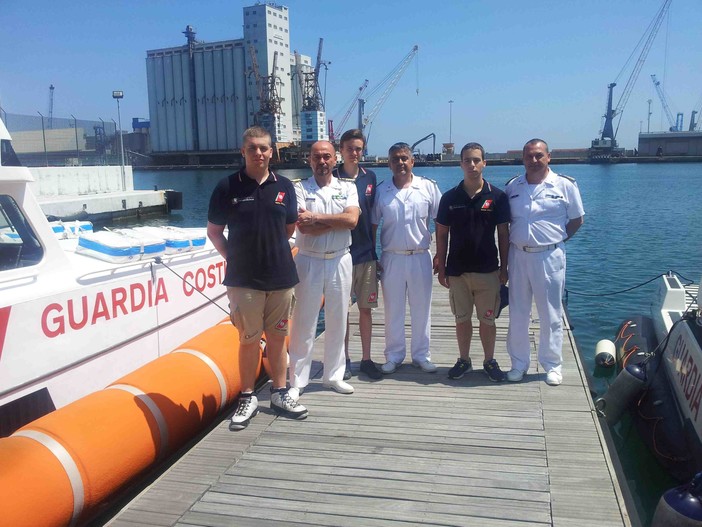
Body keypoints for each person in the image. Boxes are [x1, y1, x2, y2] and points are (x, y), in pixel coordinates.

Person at [207, 126, 308, 431]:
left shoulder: (285, 187)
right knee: (248, 340)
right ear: (243, 151)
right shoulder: (227, 187)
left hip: (280, 277)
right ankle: (248, 396)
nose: (259, 153)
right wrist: (234, 259)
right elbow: (214, 232)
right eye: (252, 148)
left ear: (272, 151)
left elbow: (289, 228)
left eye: (264, 148)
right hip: (243, 280)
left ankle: (279, 393)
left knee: (278, 339)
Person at [505, 139, 584, 386]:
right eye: (529, 156)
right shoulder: (513, 187)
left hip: (549, 257)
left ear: (548, 156)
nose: (534, 160)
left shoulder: (565, 185)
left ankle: (552, 365)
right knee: (518, 312)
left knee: (550, 313)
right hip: (518, 255)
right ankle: (519, 364)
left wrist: (555, 241)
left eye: (539, 155)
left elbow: (576, 220)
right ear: (523, 158)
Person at [288, 141, 360, 398]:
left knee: (338, 319)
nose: (322, 161)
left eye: (327, 156)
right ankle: (297, 380)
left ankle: (333, 375)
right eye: (316, 157)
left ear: (335, 159)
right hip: (308, 259)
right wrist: (337, 222)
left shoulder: (347, 187)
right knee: (303, 321)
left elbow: (352, 220)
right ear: (309, 160)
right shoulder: (299, 189)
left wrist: (317, 218)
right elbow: (303, 227)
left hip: (340, 259)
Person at [434, 142, 510, 382]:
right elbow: (442, 233)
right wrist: (442, 268)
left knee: (487, 319)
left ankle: (489, 360)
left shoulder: (497, 196)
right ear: (461, 164)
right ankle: (464, 360)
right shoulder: (449, 198)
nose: (472, 164)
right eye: (467, 160)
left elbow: (504, 234)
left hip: (488, 271)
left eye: (476, 160)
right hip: (457, 272)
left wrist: (504, 268)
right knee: (462, 319)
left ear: (484, 163)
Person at [372, 142, 442, 374]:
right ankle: (394, 355)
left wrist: (441, 254)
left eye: (404, 158)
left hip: (420, 256)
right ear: (389, 163)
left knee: (422, 308)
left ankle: (422, 355)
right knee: (392, 309)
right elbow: (372, 225)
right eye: (395, 159)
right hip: (391, 257)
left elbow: (441, 223)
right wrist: (374, 256)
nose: (400, 163)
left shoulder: (428, 188)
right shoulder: (382, 191)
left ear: (412, 161)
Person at [333, 129, 382, 381]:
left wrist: (375, 250)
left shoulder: (370, 177)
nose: (354, 153)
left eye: (359, 149)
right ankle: (344, 359)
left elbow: (373, 219)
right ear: (340, 150)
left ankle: (366, 358)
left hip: (366, 254)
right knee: (342, 311)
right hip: (340, 255)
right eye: (350, 148)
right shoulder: (331, 178)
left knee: (366, 309)